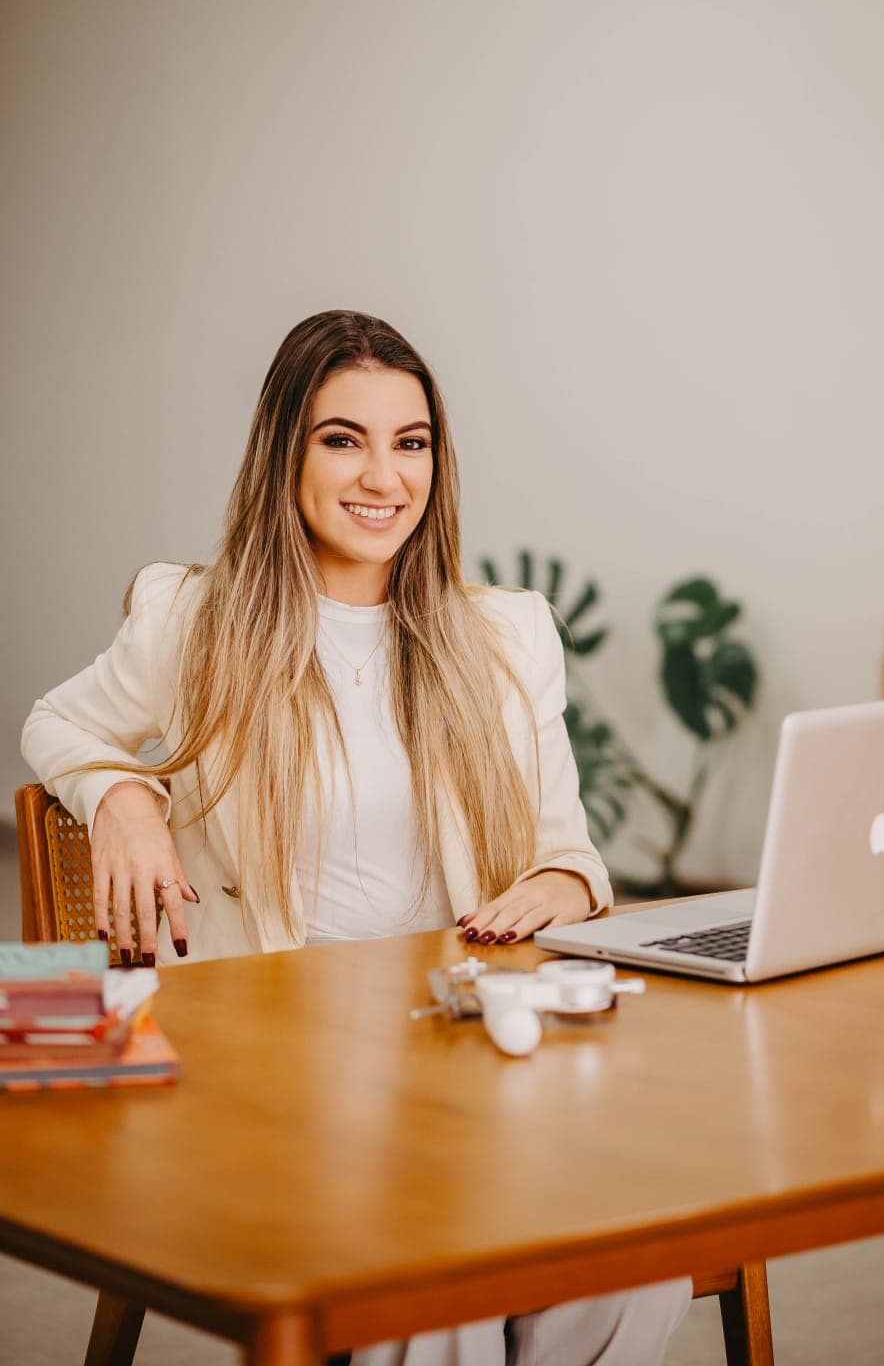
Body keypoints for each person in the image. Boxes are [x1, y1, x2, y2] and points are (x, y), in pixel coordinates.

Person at [22, 310, 691, 1364]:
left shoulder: (503, 634)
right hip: (271, 1076)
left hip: (460, 1056)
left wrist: (563, 878)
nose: (383, 475)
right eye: (343, 438)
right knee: (433, 1271)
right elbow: (56, 721)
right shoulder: (192, 618)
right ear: (283, 450)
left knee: (633, 1265)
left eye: (409, 441)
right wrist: (122, 795)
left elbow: (569, 849)